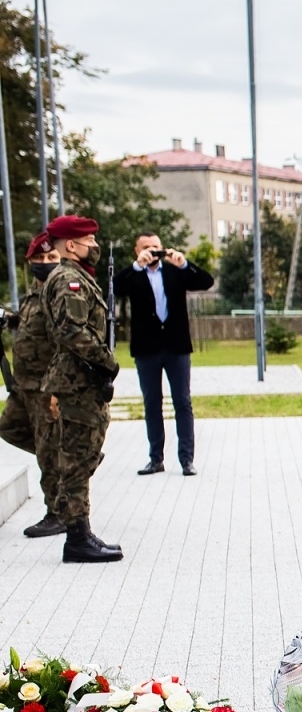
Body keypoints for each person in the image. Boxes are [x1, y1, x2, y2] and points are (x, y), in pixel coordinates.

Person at [39, 214, 123, 563]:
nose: (95, 246)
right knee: (76, 458)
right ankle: (77, 536)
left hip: (83, 381)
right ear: (71, 245)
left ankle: (78, 528)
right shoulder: (68, 280)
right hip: (77, 381)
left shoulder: (76, 276)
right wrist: (106, 361)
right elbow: (72, 331)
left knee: (84, 453)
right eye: (89, 241)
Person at [116, 232, 214, 477]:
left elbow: (206, 281)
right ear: (137, 250)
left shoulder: (174, 272)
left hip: (176, 347)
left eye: (156, 246)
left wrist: (184, 264)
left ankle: (187, 460)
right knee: (152, 403)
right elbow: (115, 287)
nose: (152, 251)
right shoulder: (134, 275)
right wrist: (136, 266)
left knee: (182, 402)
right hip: (146, 349)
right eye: (146, 247)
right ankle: (156, 459)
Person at [0, 234, 66, 538]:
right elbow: (30, 326)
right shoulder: (32, 295)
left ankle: (58, 512)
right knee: (9, 427)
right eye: (39, 259)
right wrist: (9, 320)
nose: (44, 263)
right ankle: (69, 455)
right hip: (23, 384)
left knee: (48, 450)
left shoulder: (59, 293)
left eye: (51, 258)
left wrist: (56, 388)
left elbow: (63, 341)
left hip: (44, 386)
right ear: (30, 261)